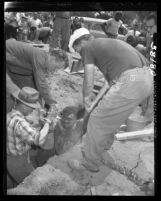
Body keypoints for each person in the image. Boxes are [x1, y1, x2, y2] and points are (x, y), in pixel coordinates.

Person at [67, 29, 153, 173]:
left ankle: (89, 163)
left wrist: (86, 98)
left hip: (131, 80)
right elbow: (108, 84)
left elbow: (89, 80)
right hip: (147, 78)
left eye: (77, 50)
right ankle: (103, 145)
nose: (80, 54)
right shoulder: (107, 46)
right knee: (112, 116)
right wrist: (93, 105)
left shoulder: (88, 47)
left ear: (81, 42)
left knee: (97, 120)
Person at [7, 87, 53, 189]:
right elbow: (38, 140)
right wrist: (47, 124)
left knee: (20, 179)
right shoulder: (20, 122)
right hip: (17, 161)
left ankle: (15, 184)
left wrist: (30, 125)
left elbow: (18, 130)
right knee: (30, 183)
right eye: (31, 107)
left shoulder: (10, 115)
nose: (33, 110)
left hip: (11, 156)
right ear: (23, 105)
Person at [6, 39, 68, 113]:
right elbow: (41, 83)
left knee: (33, 93)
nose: (55, 71)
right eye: (56, 68)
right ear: (53, 59)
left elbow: (37, 85)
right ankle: (11, 118)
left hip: (15, 67)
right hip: (8, 56)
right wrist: (52, 103)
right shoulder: (40, 57)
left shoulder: (43, 59)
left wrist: (46, 103)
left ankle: (36, 112)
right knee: (11, 95)